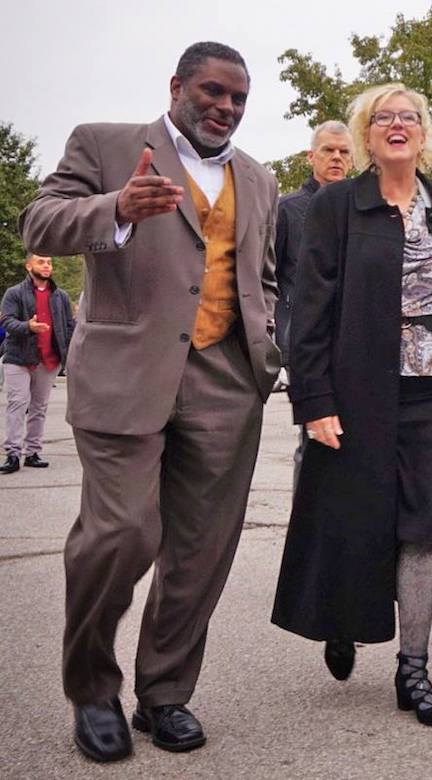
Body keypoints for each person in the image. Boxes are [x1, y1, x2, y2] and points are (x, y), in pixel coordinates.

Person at [19, 41, 280, 762]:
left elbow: (264, 274)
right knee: (124, 533)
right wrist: (116, 210)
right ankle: (93, 688)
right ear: (176, 86)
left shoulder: (258, 180)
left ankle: (163, 694)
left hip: (227, 381)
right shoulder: (105, 145)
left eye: (238, 98)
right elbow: (38, 222)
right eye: (212, 92)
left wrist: (266, 345)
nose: (225, 107)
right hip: (126, 373)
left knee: (200, 552)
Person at [271, 83, 432, 728]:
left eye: (409, 116)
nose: (398, 125)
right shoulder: (336, 207)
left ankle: (414, 666)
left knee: (425, 528)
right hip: (358, 395)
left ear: (424, 131)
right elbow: (310, 312)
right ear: (366, 133)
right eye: (383, 117)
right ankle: (343, 621)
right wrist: (314, 398)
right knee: (358, 523)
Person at [274, 120, 353, 483]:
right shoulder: (287, 210)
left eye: (344, 152)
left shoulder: (364, 208)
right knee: (314, 442)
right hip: (306, 344)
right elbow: (268, 277)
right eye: (328, 151)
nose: (336, 158)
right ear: (311, 156)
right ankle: (305, 529)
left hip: (356, 343)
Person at [0, 255, 75, 474]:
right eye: (41, 262)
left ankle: (33, 452)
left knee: (39, 408)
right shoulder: (14, 293)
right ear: (29, 265)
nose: (46, 266)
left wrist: (66, 353)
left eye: (49, 262)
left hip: (49, 360)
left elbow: (69, 326)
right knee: (17, 404)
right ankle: (13, 454)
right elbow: (6, 321)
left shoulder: (61, 296)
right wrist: (27, 327)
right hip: (19, 359)